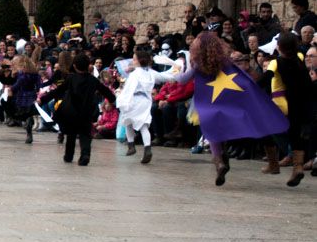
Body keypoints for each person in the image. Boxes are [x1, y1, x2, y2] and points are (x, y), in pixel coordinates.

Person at [176, 32, 287, 186]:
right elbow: (242, 78)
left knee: (212, 130)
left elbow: (182, 80)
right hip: (229, 103)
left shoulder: (197, 65)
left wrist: (181, 68)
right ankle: (268, 160)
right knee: (231, 126)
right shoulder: (226, 62)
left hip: (209, 104)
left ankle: (220, 161)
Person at [42, 51, 116, 166]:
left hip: (71, 111)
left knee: (71, 134)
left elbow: (58, 91)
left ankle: (68, 156)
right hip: (86, 111)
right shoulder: (93, 80)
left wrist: (43, 99)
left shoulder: (71, 78)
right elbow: (106, 92)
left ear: (75, 66)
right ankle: (85, 155)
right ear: (88, 66)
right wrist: (112, 99)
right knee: (85, 134)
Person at [115, 47, 177, 164]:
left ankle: (131, 145)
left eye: (134, 59)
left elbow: (128, 89)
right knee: (143, 126)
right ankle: (147, 148)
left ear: (139, 61)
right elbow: (165, 77)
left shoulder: (134, 74)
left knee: (128, 121)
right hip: (145, 101)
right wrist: (177, 72)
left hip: (134, 100)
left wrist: (122, 100)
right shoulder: (151, 72)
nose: (132, 61)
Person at [270, 33, 316, 187]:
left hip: (287, 101)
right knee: (296, 135)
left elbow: (266, 78)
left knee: (272, 130)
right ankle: (298, 167)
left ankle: (276, 163)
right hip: (303, 102)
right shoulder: (300, 58)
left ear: (280, 47)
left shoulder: (277, 62)